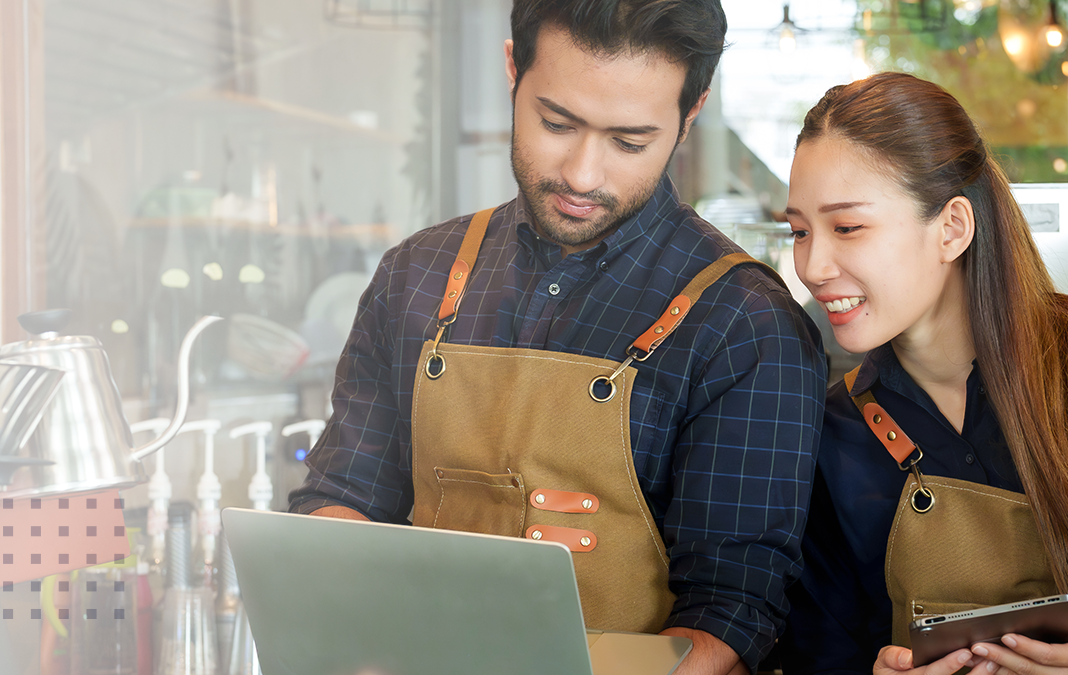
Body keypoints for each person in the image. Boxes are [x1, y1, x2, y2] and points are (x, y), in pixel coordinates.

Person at [287, 2, 827, 673]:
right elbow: (340, 495)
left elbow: (732, 612)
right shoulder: (414, 275)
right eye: (556, 122)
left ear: (690, 115)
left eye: (629, 142)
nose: (581, 174)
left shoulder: (745, 322)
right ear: (513, 68)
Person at [776, 72, 1068, 675]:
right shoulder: (834, 433)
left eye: (848, 227)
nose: (812, 266)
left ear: (952, 227)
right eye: (799, 231)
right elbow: (824, 656)